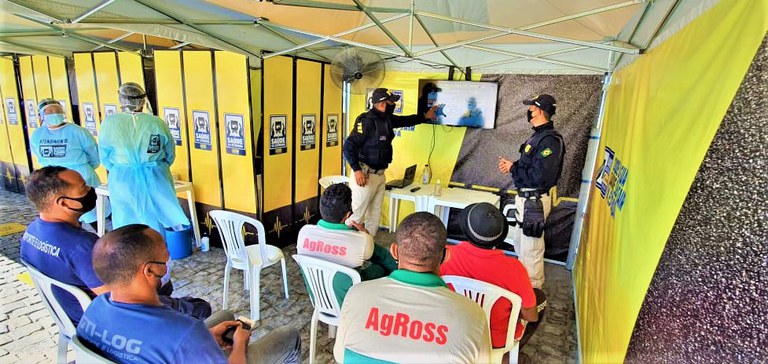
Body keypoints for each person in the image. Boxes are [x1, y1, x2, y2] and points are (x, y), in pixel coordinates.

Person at [77, 224, 301, 364]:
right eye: (165, 252)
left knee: (225, 315)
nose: (169, 255)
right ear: (150, 271)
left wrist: (205, 338)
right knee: (289, 336)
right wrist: (241, 343)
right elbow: (180, 341)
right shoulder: (184, 332)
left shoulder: (95, 308)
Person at [21, 167, 211, 326]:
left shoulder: (32, 232)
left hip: (71, 315)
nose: (90, 190)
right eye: (83, 188)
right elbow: (121, 300)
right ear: (63, 203)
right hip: (104, 322)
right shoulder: (82, 247)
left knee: (162, 283)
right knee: (198, 307)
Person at [334, 212, 491, 363]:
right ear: (445, 256)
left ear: (394, 251)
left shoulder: (356, 294)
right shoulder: (473, 316)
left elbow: (340, 356)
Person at [440, 202, 546, 354]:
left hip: (452, 332)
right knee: (540, 299)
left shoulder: (445, 255)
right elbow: (531, 316)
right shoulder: (515, 268)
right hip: (496, 341)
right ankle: (506, 356)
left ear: (466, 230)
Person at [343, 88, 438, 235]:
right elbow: (349, 146)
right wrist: (356, 170)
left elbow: (406, 120)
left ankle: (368, 247)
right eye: (391, 101)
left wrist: (425, 116)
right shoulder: (367, 120)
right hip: (365, 175)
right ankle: (344, 250)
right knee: (356, 215)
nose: (394, 103)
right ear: (381, 103)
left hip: (380, 176)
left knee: (374, 215)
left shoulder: (386, 119)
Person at [98, 82, 189, 236]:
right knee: (159, 216)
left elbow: (105, 156)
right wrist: (158, 167)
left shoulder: (110, 123)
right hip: (156, 175)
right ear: (143, 100)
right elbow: (169, 152)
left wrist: (121, 167)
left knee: (127, 219)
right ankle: (158, 251)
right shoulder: (156, 123)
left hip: (123, 179)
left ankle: (131, 253)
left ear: (121, 99)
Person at [498, 94, 565, 289]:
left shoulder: (551, 141)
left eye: (532, 108)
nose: (529, 111)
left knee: (531, 250)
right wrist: (512, 166)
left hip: (534, 202)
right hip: (526, 200)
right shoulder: (537, 136)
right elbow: (530, 164)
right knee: (521, 246)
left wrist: (513, 168)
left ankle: (534, 295)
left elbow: (540, 177)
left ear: (540, 110)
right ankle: (522, 288)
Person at [30, 98, 110, 227]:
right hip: (55, 182)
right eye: (49, 111)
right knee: (66, 215)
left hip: (83, 177)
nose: (54, 113)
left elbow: (94, 154)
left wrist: (84, 168)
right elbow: (40, 157)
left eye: (57, 110)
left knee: (94, 215)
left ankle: (101, 238)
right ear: (41, 115)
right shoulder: (37, 135)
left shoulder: (77, 131)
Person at [297, 183, 397, 283]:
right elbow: (383, 257)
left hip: (318, 294)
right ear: (347, 215)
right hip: (350, 294)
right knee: (382, 267)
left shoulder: (304, 232)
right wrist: (366, 236)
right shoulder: (360, 240)